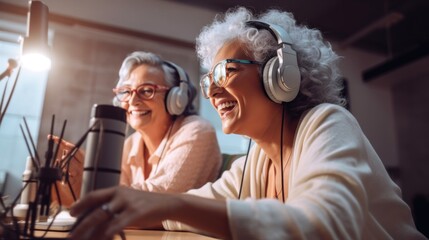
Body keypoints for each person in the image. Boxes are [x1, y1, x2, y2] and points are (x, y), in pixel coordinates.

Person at [68, 7, 425, 240]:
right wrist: (125, 204)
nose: (212, 91)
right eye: (209, 80)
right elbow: (185, 211)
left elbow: (323, 224)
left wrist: (170, 205)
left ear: (279, 76)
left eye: (227, 71)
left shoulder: (327, 123)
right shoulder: (254, 163)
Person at [53, 51, 222, 206]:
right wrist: (72, 184)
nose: (133, 101)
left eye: (146, 90)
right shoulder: (130, 144)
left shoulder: (197, 131)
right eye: (126, 91)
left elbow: (161, 200)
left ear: (176, 99)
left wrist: (92, 180)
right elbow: (109, 205)